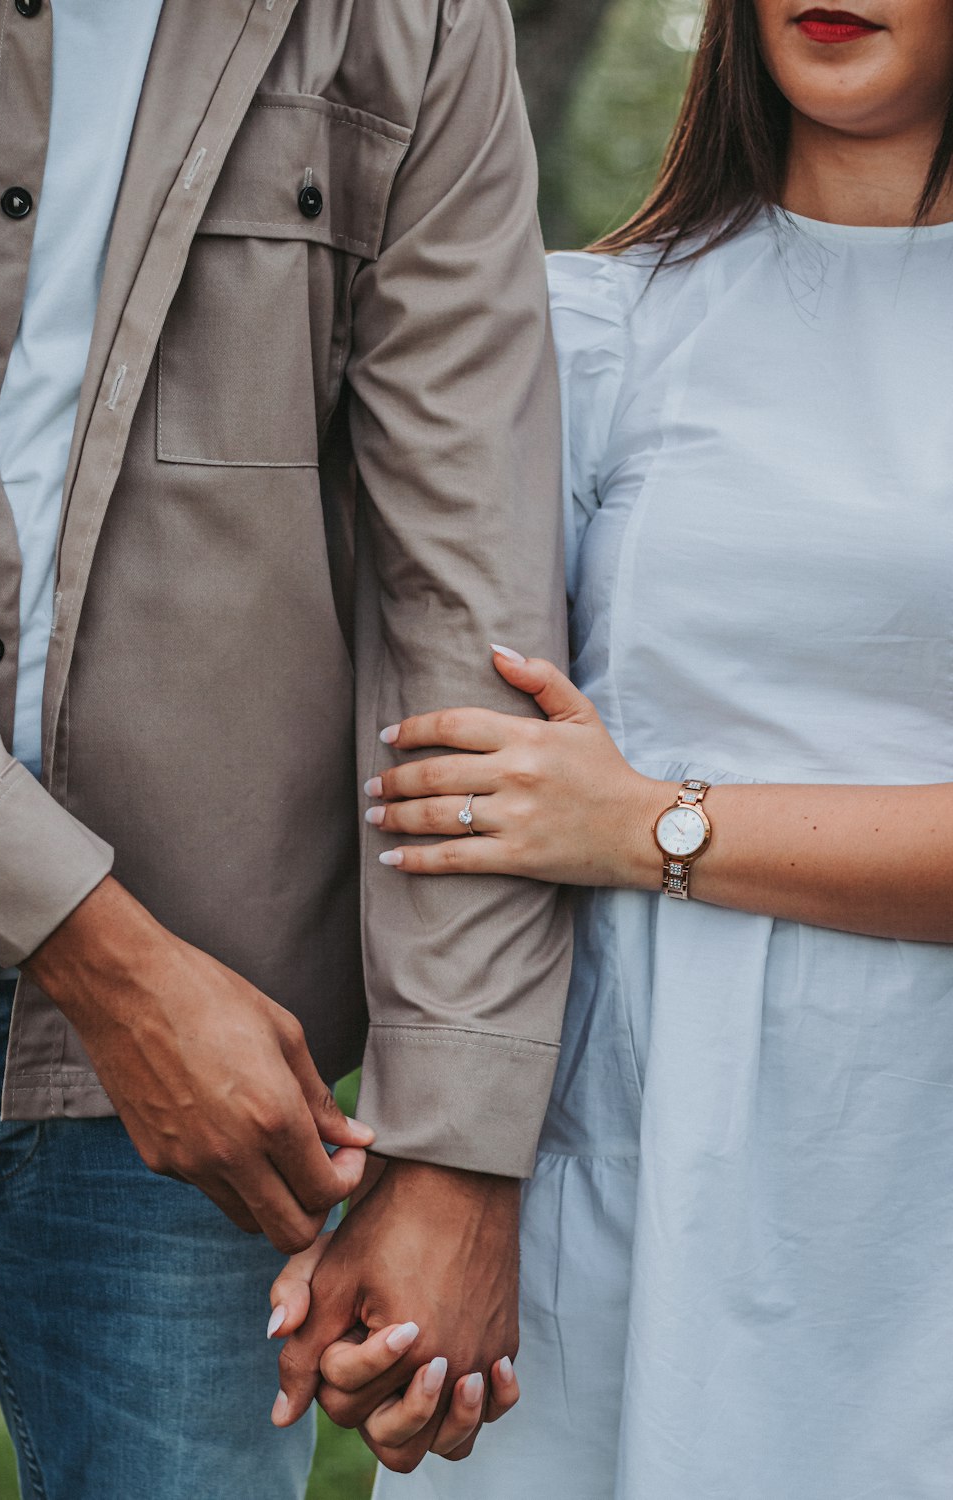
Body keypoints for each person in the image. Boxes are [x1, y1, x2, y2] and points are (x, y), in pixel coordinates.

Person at [303, 0, 953, 1491]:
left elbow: (593, 809)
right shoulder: (582, 329)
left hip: (915, 1176)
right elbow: (443, 763)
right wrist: (431, 1169)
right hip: (622, 1140)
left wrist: (655, 824)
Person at [0, 2, 571, 1496]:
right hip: (178, 1025)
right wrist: (103, 957)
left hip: (215, 1099)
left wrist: (458, 1144)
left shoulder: (409, 24)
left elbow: (466, 605)